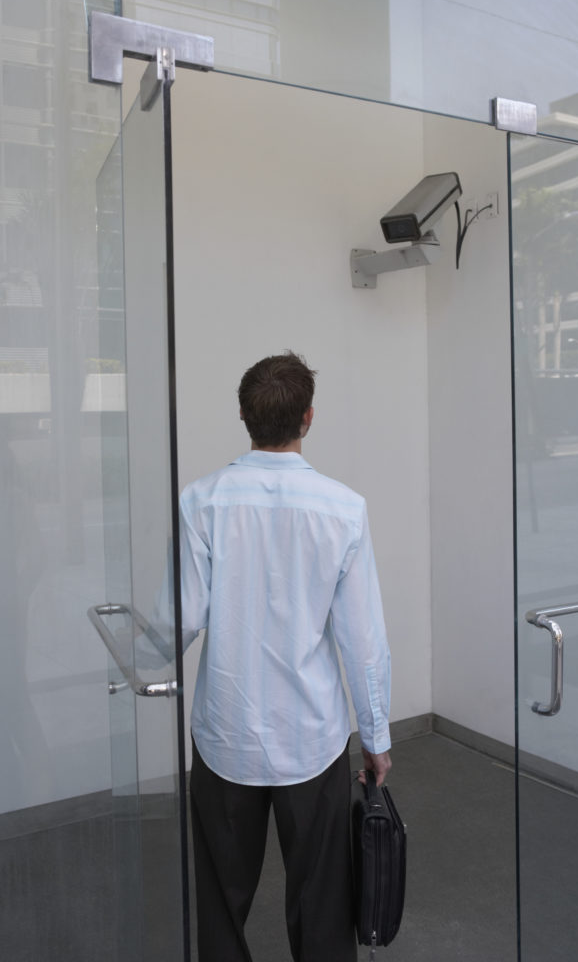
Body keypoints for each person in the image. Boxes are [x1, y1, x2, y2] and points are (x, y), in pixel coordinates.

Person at [178, 352, 392, 962]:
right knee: (323, 903)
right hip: (311, 738)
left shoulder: (202, 501)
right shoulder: (343, 508)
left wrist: (134, 664)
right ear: (308, 417)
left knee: (222, 903)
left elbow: (182, 619)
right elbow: (363, 641)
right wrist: (376, 737)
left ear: (244, 416)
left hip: (226, 736)